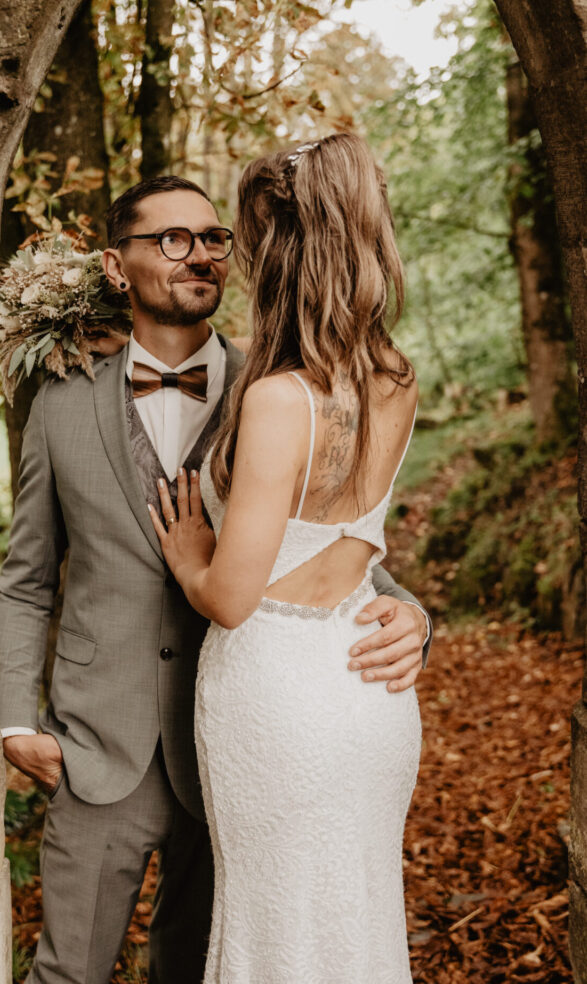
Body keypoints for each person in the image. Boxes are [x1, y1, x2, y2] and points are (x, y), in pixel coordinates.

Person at [0, 173, 431, 984]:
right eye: (170, 238)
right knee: (66, 973)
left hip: (242, 743)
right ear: (115, 267)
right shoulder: (57, 403)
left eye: (212, 238)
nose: (198, 254)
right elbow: (25, 577)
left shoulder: (275, 388)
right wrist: (16, 718)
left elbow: (325, 543)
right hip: (98, 748)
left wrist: (411, 616)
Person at [149, 135, 422, 983]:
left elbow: (231, 598)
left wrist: (194, 555)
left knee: (276, 930)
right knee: (354, 918)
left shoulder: (277, 400)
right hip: (363, 693)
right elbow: (352, 539)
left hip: (274, 699)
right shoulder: (395, 378)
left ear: (279, 252)